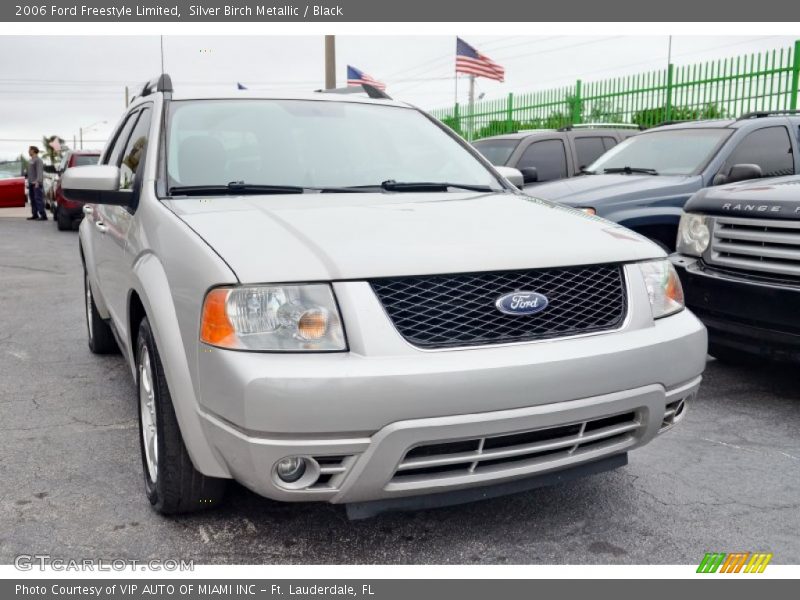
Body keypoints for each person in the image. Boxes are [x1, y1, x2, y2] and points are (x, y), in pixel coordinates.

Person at [25, 145, 47, 221]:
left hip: (36, 183)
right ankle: (35, 215)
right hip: (31, 183)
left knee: (38, 199)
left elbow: (39, 171)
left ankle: (43, 215)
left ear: (33, 151)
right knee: (32, 200)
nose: (28, 151)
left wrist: (38, 181)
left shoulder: (38, 160)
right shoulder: (30, 160)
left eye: (29, 150)